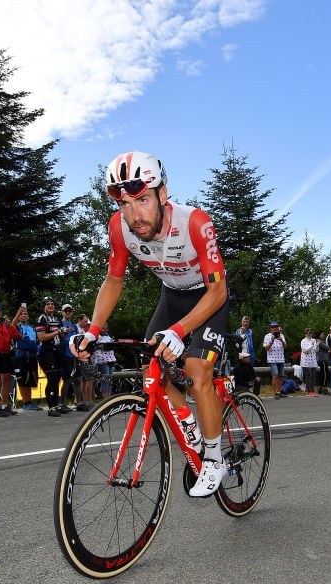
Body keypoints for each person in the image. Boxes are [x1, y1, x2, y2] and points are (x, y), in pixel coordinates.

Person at [74, 151, 230, 498]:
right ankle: (187, 419)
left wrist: (179, 331)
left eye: (142, 199)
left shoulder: (194, 222)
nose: (134, 214)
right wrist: (94, 330)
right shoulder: (120, 228)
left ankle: (215, 459)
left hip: (207, 298)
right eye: (125, 204)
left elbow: (218, 290)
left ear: (162, 194)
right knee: (150, 366)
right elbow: (113, 281)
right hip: (171, 297)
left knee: (196, 371)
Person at [34, 297, 64, 417]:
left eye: (52, 304)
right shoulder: (41, 318)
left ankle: (55, 405)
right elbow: (42, 337)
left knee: (57, 379)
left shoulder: (57, 319)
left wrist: (64, 332)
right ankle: (51, 408)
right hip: (46, 351)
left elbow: (62, 338)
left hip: (58, 350)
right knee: (51, 378)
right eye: (48, 304)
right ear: (44, 307)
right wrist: (57, 332)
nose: (50, 306)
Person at [12, 305, 42, 410]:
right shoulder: (18, 327)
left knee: (30, 380)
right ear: (19, 317)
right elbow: (12, 325)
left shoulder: (32, 328)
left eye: (25, 314)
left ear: (28, 317)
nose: (23, 315)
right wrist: (18, 312)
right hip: (21, 356)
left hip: (32, 356)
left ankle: (29, 402)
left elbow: (37, 341)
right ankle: (25, 403)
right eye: (22, 314)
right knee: (22, 380)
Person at [58, 303, 77, 412]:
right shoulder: (60, 323)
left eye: (70, 310)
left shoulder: (74, 325)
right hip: (64, 355)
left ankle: (69, 403)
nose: (68, 312)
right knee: (65, 380)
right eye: (66, 311)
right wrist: (70, 342)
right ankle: (61, 403)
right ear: (62, 312)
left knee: (71, 380)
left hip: (73, 355)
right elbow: (60, 340)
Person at [263, 321, 288, 399]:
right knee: (275, 375)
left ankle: (279, 391)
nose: (275, 329)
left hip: (281, 359)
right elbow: (266, 348)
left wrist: (281, 340)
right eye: (273, 327)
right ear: (271, 328)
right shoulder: (267, 336)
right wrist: (271, 341)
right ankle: (275, 393)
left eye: (276, 327)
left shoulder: (282, 336)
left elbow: (286, 347)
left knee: (281, 376)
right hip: (272, 359)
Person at [94, 323, 116, 401]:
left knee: (110, 380)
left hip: (110, 359)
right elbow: (99, 346)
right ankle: (105, 399)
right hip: (102, 360)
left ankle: (109, 398)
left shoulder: (108, 336)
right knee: (105, 379)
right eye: (102, 326)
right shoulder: (97, 336)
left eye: (105, 326)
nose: (104, 327)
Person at [299, 327, 319, 396]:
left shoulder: (314, 340)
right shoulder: (303, 341)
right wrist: (311, 346)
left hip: (313, 360)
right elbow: (305, 351)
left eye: (310, 333)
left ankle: (312, 390)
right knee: (309, 374)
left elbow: (316, 351)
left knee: (313, 375)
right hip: (305, 361)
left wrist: (317, 346)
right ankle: (308, 390)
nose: (308, 334)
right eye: (307, 333)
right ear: (305, 334)